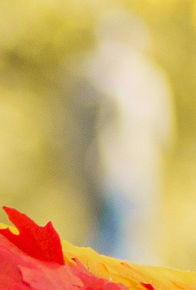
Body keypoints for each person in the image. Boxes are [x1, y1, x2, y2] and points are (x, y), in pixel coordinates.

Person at [69, 12, 174, 263]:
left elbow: (163, 131)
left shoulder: (149, 79)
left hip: (137, 172)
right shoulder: (94, 77)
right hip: (104, 171)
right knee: (105, 236)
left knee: (133, 238)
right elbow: (78, 131)